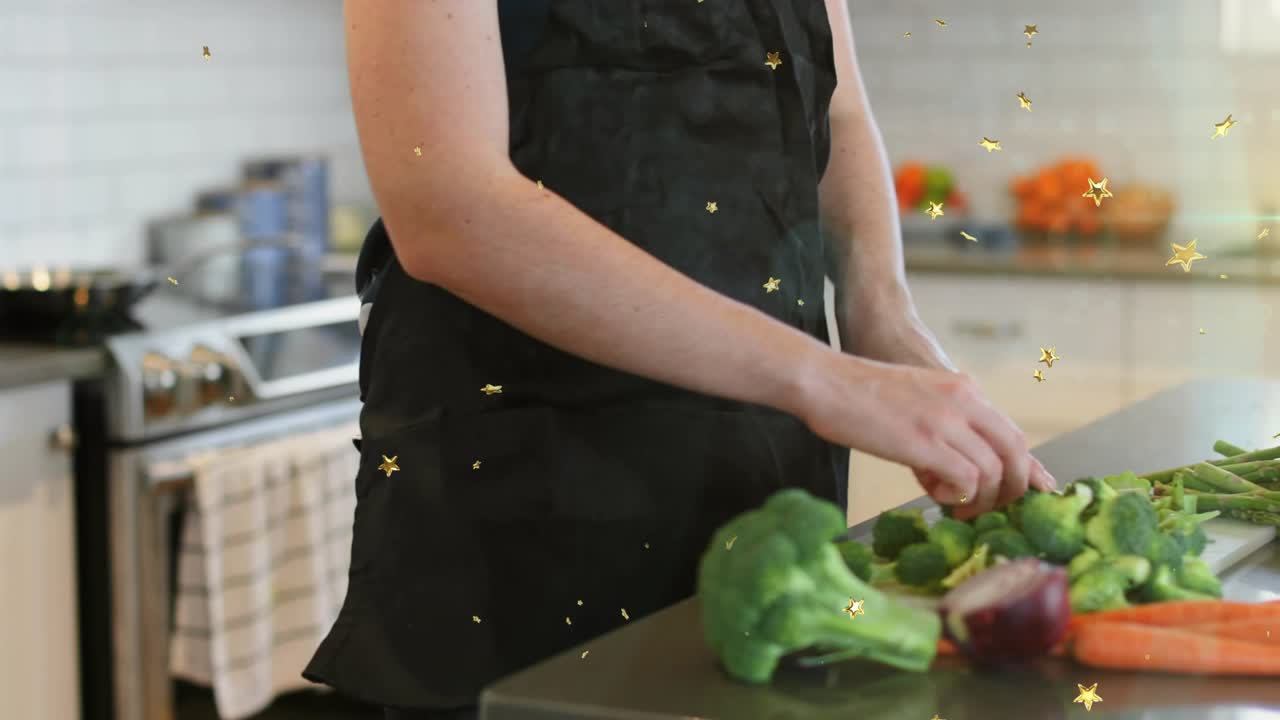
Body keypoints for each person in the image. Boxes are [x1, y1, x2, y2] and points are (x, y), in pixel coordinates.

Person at [305, 2, 1057, 718]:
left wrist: (885, 318)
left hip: (764, 497)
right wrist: (827, 379)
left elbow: (838, 108)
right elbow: (448, 208)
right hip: (522, 533)